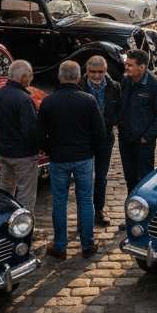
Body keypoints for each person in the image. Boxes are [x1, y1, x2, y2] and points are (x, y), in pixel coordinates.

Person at [34, 61, 105, 259]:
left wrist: (51, 148)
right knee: (85, 202)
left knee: (59, 203)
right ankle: (87, 244)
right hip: (83, 157)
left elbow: (38, 135)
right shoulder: (88, 100)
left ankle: (60, 246)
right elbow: (100, 132)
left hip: (59, 159)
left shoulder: (49, 102)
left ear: (60, 77)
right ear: (78, 77)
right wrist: (90, 148)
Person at [0, 59, 39, 213]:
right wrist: (38, 146)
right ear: (23, 77)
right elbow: (29, 131)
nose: (31, 79)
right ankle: (24, 231)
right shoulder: (23, 99)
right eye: (30, 76)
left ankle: (5, 222)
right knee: (25, 197)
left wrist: (5, 134)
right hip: (23, 156)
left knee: (6, 193)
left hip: (4, 152)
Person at [118, 49, 157, 206]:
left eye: (130, 65)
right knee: (130, 180)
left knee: (145, 181)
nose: (126, 67)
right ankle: (132, 214)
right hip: (125, 140)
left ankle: (144, 216)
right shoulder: (126, 82)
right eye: (126, 64)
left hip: (143, 144)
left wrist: (146, 138)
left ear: (142, 67)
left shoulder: (154, 86)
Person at [78, 55, 121, 227]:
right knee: (84, 177)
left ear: (105, 71)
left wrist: (109, 123)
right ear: (86, 71)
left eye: (100, 72)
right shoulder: (79, 86)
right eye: (93, 72)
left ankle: (99, 209)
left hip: (106, 139)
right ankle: (84, 213)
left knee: (101, 177)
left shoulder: (114, 87)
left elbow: (118, 110)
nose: (96, 76)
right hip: (85, 140)